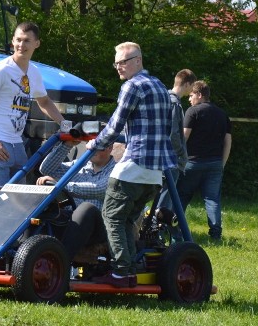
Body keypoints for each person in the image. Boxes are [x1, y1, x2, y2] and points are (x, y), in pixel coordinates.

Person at [86, 42, 176, 287]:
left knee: (112, 216)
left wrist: (94, 144)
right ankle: (128, 268)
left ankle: (121, 272)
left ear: (138, 60)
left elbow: (115, 125)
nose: (119, 67)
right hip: (155, 174)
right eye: (116, 63)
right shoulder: (160, 87)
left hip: (134, 165)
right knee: (126, 219)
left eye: (123, 62)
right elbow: (160, 129)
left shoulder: (131, 86)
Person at [0, 22, 65, 204]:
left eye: (26, 41)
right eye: (18, 40)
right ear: (13, 41)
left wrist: (65, 124)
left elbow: (44, 101)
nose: (21, 45)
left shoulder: (34, 73)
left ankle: (12, 233)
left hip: (17, 143)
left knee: (16, 200)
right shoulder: (1, 70)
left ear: (36, 43)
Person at [36, 139, 118, 260]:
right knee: (40, 209)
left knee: (86, 208)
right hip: (70, 221)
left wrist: (59, 186)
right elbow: (46, 169)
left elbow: (99, 189)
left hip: (100, 227)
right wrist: (68, 144)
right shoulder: (80, 165)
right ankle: (20, 257)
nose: (92, 149)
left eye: (98, 146)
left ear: (110, 147)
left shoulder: (117, 170)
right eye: (90, 144)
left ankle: (59, 261)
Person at [175, 80, 232, 241]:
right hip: (215, 164)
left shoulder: (193, 112)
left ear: (200, 95)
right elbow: (228, 141)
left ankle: (175, 230)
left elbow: (184, 136)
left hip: (192, 163)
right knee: (212, 199)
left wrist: (176, 159)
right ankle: (215, 234)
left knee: (181, 196)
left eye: (192, 95)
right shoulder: (222, 114)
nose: (189, 99)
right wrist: (222, 163)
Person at [156, 68, 197, 210]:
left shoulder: (164, 98)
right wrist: (181, 152)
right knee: (165, 199)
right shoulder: (173, 103)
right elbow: (172, 134)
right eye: (192, 86)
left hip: (162, 156)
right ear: (187, 84)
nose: (192, 90)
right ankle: (157, 229)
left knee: (161, 196)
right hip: (170, 159)